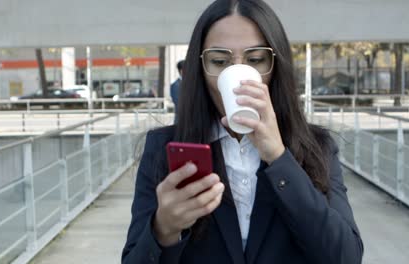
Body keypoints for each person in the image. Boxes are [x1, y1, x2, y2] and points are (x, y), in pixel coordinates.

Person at [122, 0, 364, 263]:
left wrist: (280, 159)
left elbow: (345, 256)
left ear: (276, 64)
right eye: (219, 60)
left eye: (256, 59)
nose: (236, 73)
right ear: (200, 68)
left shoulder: (317, 145)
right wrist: (164, 228)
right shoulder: (164, 149)